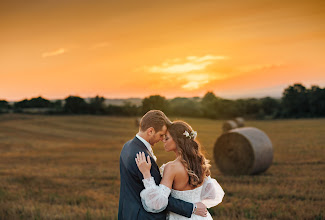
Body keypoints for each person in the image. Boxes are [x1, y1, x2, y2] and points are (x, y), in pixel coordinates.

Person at [118, 110, 208, 220]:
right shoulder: (142, 156)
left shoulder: (127, 146)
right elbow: (158, 200)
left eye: (166, 137)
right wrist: (192, 208)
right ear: (150, 131)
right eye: (161, 135)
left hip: (128, 212)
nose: (162, 140)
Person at [135, 120, 225, 220]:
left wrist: (146, 174)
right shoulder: (200, 163)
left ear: (177, 140)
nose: (163, 141)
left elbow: (157, 203)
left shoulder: (172, 167)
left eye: (167, 138)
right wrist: (195, 203)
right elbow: (212, 194)